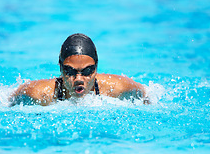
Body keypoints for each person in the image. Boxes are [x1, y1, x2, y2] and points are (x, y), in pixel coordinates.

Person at [9, 33, 149, 106]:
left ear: (96, 68)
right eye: (70, 71)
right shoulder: (38, 94)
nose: (79, 79)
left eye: (87, 71)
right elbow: (10, 102)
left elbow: (146, 97)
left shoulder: (119, 88)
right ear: (61, 69)